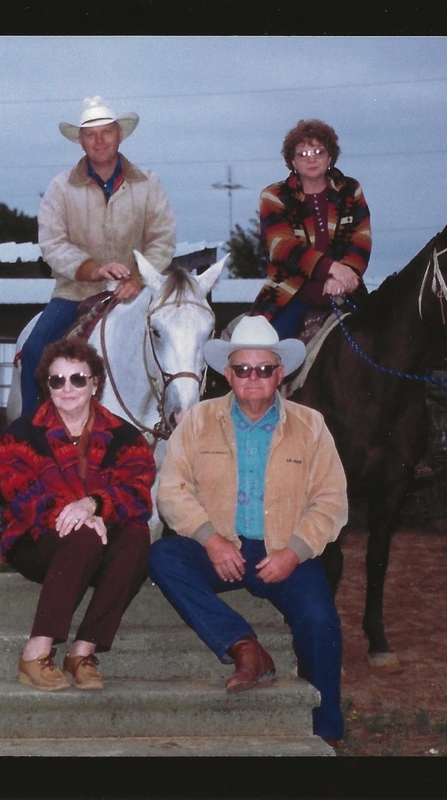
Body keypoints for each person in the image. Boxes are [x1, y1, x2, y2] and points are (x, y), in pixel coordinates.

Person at [148, 315, 348, 746]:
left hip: (283, 552)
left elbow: (331, 501)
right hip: (223, 548)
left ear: (280, 373)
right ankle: (245, 647)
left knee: (320, 621)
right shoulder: (197, 421)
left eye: (263, 369)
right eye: (243, 369)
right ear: (228, 374)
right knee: (164, 558)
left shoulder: (311, 426)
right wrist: (211, 539)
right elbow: (171, 489)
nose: (253, 377)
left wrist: (293, 552)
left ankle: (324, 728)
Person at [0, 338, 156, 691]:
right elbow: (22, 497)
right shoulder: (18, 436)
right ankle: (36, 652)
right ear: (46, 386)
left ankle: (82, 651)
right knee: (82, 533)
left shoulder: (126, 437)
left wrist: (95, 505)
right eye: (57, 380)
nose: (67, 388)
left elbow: (138, 492)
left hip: (99, 537)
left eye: (77, 379)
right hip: (37, 543)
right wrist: (79, 514)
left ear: (95, 382)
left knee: (138, 537)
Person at [19, 95, 176, 417]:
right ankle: (31, 434)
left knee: (179, 348)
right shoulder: (60, 188)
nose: (99, 140)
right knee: (35, 351)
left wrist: (136, 278)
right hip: (75, 293)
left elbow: (162, 239)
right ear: (81, 141)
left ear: (120, 134)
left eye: (106, 132)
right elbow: (52, 242)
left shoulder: (148, 184)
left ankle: (175, 426)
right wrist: (93, 269)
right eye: (91, 134)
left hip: (136, 293)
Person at [249, 119, 371, 341]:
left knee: (385, 344)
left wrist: (343, 277)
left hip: (347, 290)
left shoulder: (351, 190)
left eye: (318, 151)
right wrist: (332, 268)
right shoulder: (275, 195)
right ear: (293, 162)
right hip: (289, 293)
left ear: (330, 157)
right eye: (303, 154)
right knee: (265, 350)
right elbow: (282, 247)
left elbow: (361, 241)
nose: (312, 158)